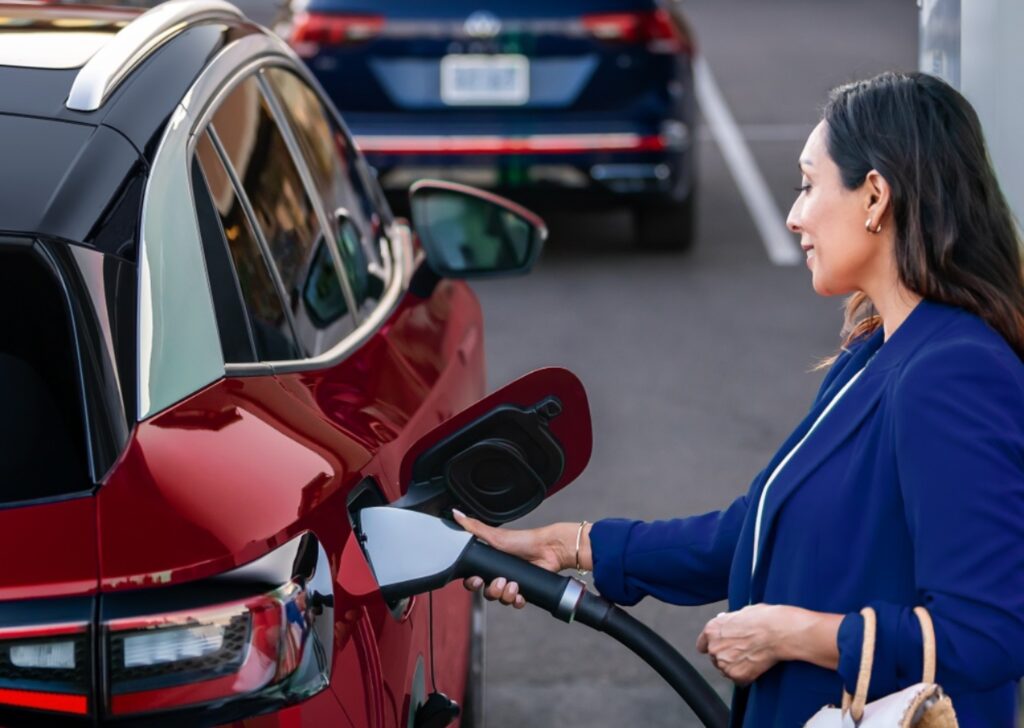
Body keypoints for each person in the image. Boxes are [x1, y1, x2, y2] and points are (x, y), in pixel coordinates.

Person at [453, 71, 1024, 727]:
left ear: (875, 197)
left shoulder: (955, 372)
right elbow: (757, 532)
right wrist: (571, 546)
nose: (794, 214)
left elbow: (986, 633)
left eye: (810, 184)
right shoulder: (877, 351)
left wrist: (793, 635)